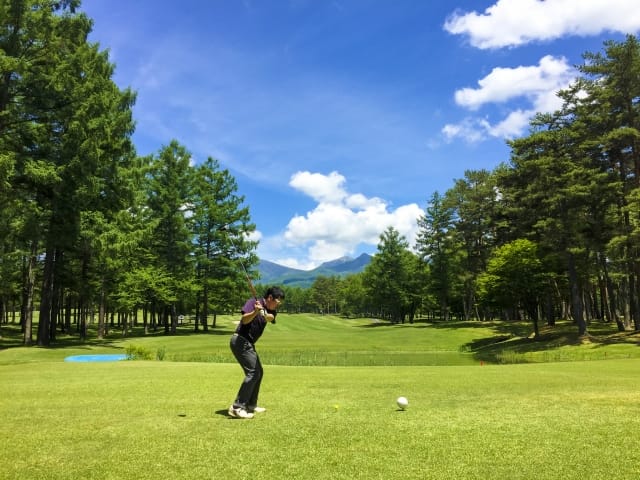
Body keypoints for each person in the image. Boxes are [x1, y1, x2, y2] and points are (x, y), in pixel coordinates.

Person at [228, 286, 285, 419]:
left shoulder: (271, 310)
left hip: (248, 343)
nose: (278, 304)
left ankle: (251, 404)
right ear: (270, 298)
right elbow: (244, 320)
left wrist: (263, 313)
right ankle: (237, 407)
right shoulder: (252, 302)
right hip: (240, 341)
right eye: (277, 301)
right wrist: (255, 311)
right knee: (253, 372)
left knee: (259, 372)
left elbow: (270, 318)